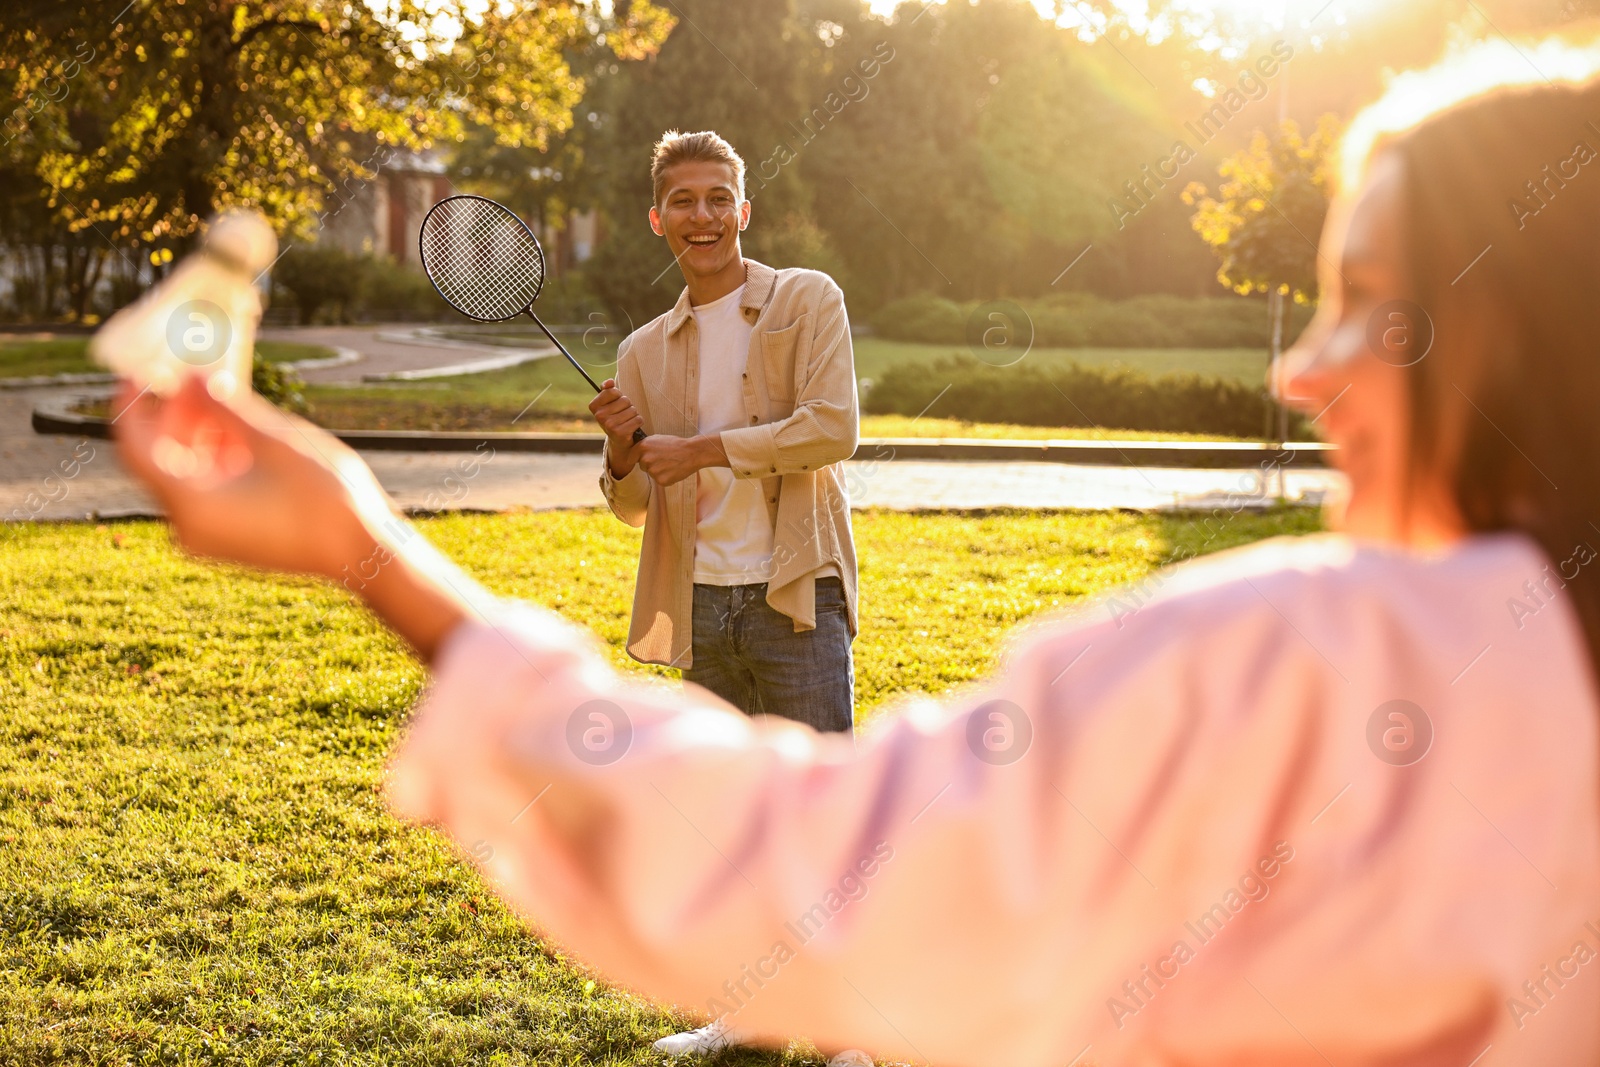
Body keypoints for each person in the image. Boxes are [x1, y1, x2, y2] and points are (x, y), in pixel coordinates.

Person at [112, 35, 1600, 1066]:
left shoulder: (1304, 658)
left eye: (1368, 300)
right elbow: (637, 502)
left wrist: (371, 553)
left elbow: (828, 844)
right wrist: (634, 448)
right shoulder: (638, 338)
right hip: (699, 589)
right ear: (657, 214)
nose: (1304, 365)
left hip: (793, 580)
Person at [587, 130, 860, 741]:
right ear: (659, 220)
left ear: (743, 211)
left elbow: (833, 429)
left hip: (797, 596)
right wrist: (620, 452)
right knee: (725, 814)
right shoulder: (642, 351)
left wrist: (700, 451)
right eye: (683, 202)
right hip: (699, 604)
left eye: (719, 198)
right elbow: (633, 510)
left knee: (823, 803)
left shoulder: (808, 298)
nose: (702, 216)